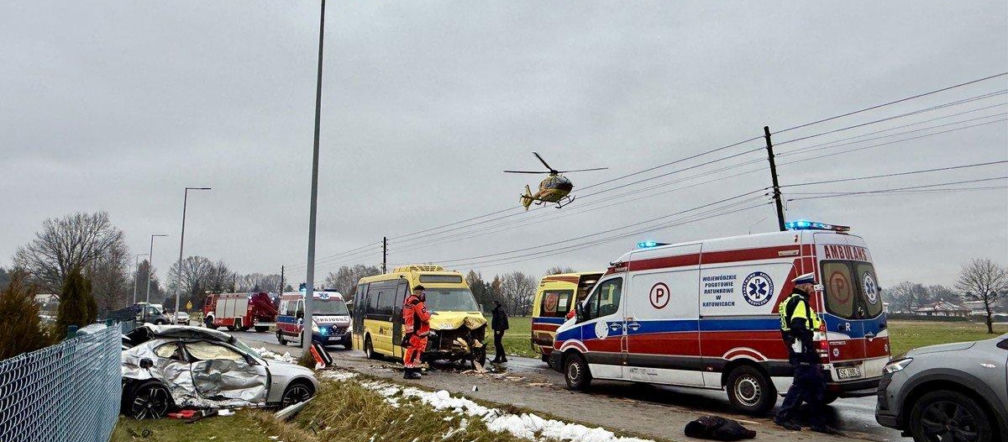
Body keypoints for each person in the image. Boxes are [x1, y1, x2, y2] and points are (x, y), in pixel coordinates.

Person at [774, 273, 838, 434]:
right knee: (804, 384)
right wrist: (810, 349)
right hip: (802, 348)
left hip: (797, 347)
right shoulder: (800, 302)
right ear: (804, 286)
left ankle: (817, 422)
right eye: (811, 285)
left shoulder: (788, 301)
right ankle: (784, 417)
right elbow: (798, 326)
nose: (812, 289)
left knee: (813, 385)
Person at [402, 284, 431, 379]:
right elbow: (424, 317)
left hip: (410, 330)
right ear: (419, 293)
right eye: (423, 293)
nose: (424, 295)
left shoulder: (408, 302)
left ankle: (411, 370)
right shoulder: (417, 303)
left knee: (411, 351)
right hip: (418, 331)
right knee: (416, 352)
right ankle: (410, 372)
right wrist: (429, 314)